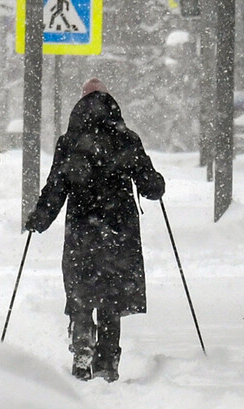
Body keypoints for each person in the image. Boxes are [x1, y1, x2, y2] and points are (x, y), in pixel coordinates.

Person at [23, 79, 165, 382]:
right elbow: (149, 183)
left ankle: (82, 350)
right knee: (112, 295)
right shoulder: (127, 139)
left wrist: (40, 217)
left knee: (82, 290)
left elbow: (56, 187)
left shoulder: (69, 141)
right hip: (119, 227)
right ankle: (107, 363)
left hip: (82, 227)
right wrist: (155, 184)